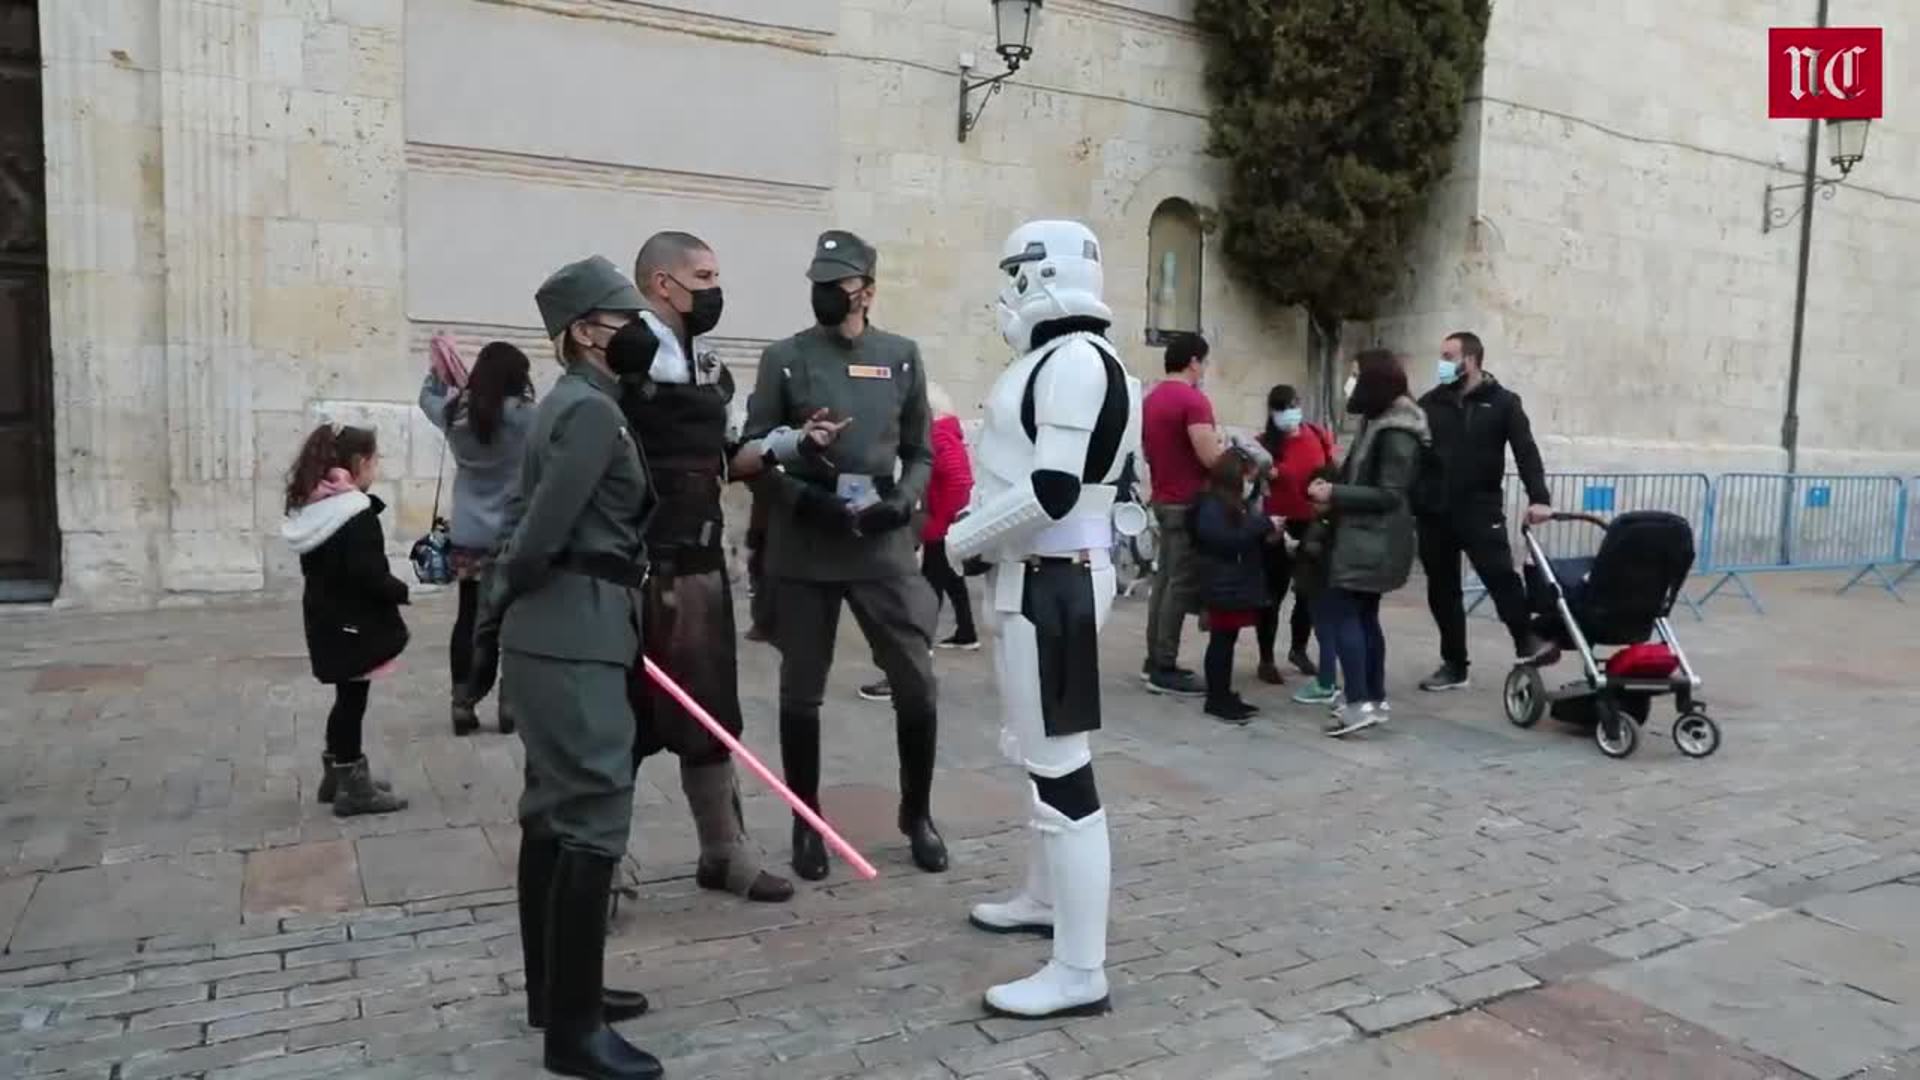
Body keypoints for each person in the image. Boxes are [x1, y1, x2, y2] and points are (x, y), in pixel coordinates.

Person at [950, 219, 1141, 1020]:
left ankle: (1079, 966)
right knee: (1039, 755)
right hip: (1036, 578)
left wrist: (963, 537)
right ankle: (1042, 898)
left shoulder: (1073, 364)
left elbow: (1054, 490)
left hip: (1052, 580)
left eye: (1012, 273)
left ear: (1039, 274)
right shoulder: (1068, 361)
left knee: (1063, 769)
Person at [615, 229, 837, 906]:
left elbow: (722, 462)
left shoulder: (710, 370)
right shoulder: (622, 363)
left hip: (703, 567)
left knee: (713, 717)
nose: (715, 289)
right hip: (636, 574)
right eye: (704, 276)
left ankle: (724, 852)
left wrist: (795, 445)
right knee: (618, 725)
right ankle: (607, 868)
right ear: (662, 284)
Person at [494, 256, 661, 1080]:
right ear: (586, 331)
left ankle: (558, 993)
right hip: (572, 630)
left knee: (551, 812)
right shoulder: (590, 412)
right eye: (625, 320)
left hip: (566, 629)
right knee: (592, 806)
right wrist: (510, 599)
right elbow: (540, 532)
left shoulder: (584, 405)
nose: (641, 334)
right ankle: (575, 1031)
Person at [743, 230, 948, 882]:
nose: (825, 294)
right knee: (801, 693)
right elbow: (754, 453)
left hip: (882, 542)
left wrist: (907, 501)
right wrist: (805, 500)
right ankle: (808, 823)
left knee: (916, 686)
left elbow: (921, 449)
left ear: (866, 288)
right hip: (805, 544)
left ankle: (917, 814)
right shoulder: (784, 359)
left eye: (838, 283)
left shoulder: (902, 357)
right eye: (819, 283)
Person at [281, 423, 411, 818]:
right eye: (375, 460)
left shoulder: (318, 506)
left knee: (345, 698)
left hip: (325, 617)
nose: (377, 467)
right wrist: (401, 590)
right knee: (352, 702)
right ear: (359, 463)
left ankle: (338, 774)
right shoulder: (355, 513)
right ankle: (354, 786)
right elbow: (368, 574)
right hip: (353, 622)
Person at [1415, 331, 1553, 692]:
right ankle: (1454, 664)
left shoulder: (1504, 402)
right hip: (1435, 513)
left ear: (1471, 360)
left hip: (1480, 508)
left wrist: (1539, 497)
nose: (1442, 363)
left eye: (1449, 356)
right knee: (1442, 590)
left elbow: (1526, 451)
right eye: (1442, 356)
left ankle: (1526, 640)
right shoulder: (1429, 403)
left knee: (1501, 577)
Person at [1311, 349, 1431, 737]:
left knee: (1346, 611)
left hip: (1373, 540)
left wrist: (1336, 494)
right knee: (1362, 615)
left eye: (1356, 374)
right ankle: (1371, 698)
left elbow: (1390, 493)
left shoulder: (1397, 429)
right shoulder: (1375, 421)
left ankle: (1359, 700)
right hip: (1364, 536)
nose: (1351, 381)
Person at [420, 340, 536, 736]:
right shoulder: (524, 417)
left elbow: (426, 399)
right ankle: (510, 704)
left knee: (469, 616)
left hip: (468, 532)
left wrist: (441, 370)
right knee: (513, 619)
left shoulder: (455, 416)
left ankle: (462, 701)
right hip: (511, 531)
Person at [857, 381, 978, 703]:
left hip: (939, 528)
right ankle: (955, 640)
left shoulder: (938, 436)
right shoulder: (943, 434)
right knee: (937, 589)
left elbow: (959, 482)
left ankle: (907, 673)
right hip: (938, 527)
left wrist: (939, 522)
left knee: (920, 598)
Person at [1140, 333, 1223, 697]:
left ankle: (1154, 658)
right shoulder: (1193, 400)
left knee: (1164, 581)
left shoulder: (1152, 399)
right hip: (1189, 502)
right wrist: (1239, 466)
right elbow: (1209, 456)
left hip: (1163, 496)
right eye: (1203, 362)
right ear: (1193, 361)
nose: (1203, 369)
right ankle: (1164, 665)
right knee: (1179, 584)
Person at [1191, 449, 1278, 724]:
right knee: (1221, 641)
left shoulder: (1231, 503)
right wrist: (1262, 525)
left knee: (1227, 640)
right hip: (1221, 583)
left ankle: (1223, 693)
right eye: (1248, 476)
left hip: (1232, 582)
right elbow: (1225, 540)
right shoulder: (1211, 504)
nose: (1251, 482)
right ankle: (1216, 698)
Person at [1256, 385, 1335, 689]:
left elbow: (1330, 471)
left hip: (1312, 524)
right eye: (1283, 407)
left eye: (1294, 404)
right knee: (1272, 594)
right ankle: (1266, 658)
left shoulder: (1316, 435)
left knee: (1308, 592)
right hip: (1277, 524)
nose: (1290, 412)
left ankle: (1298, 649)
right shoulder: (1264, 445)